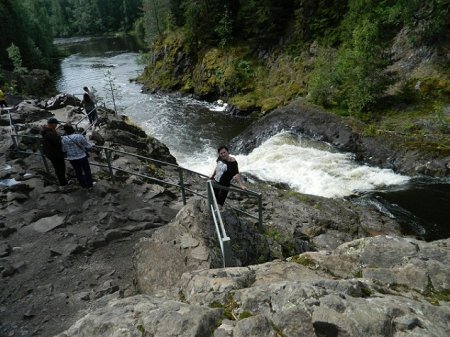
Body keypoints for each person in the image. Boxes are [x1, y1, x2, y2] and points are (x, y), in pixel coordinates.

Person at [61, 124, 94, 189]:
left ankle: (83, 185)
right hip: (81, 156)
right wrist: (92, 145)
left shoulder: (63, 139)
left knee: (78, 172)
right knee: (87, 170)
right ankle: (90, 185)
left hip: (72, 158)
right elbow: (87, 145)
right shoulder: (79, 136)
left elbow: (64, 150)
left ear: (65, 131)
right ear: (73, 129)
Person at [41, 117, 69, 186]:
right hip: (55, 154)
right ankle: (63, 183)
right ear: (51, 124)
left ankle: (63, 181)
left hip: (50, 153)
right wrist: (60, 138)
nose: (56, 125)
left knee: (58, 167)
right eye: (55, 124)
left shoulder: (46, 130)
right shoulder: (50, 133)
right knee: (60, 168)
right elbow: (58, 143)